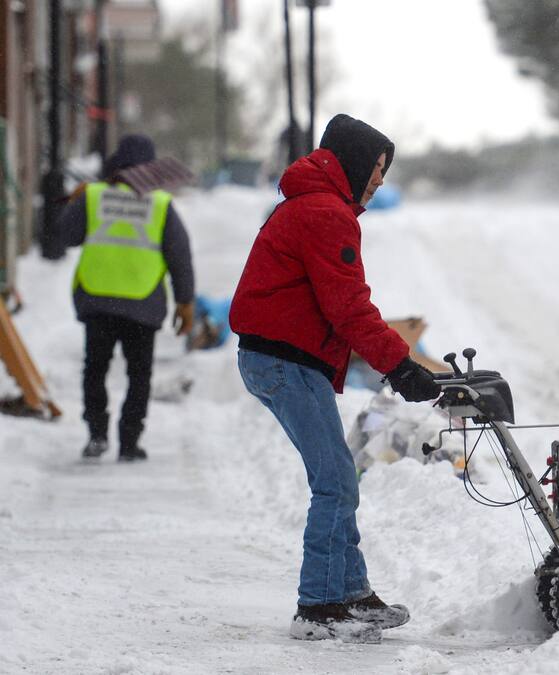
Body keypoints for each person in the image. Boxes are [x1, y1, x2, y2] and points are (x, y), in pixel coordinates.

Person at [229, 114, 441, 644]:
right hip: (284, 360)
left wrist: (397, 362)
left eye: (385, 171)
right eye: (375, 168)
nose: (380, 180)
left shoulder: (315, 206)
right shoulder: (326, 214)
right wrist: (400, 365)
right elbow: (348, 307)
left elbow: (341, 307)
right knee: (336, 481)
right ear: (349, 162)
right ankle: (319, 605)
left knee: (339, 475)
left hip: (280, 357)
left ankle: (350, 593)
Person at [48, 134, 195, 461]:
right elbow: (179, 257)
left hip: (98, 300)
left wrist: (76, 203)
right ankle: (129, 442)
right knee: (139, 374)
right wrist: (185, 302)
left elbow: (66, 237)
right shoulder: (160, 205)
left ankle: (97, 434)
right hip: (142, 304)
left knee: (95, 368)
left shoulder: (95, 196)